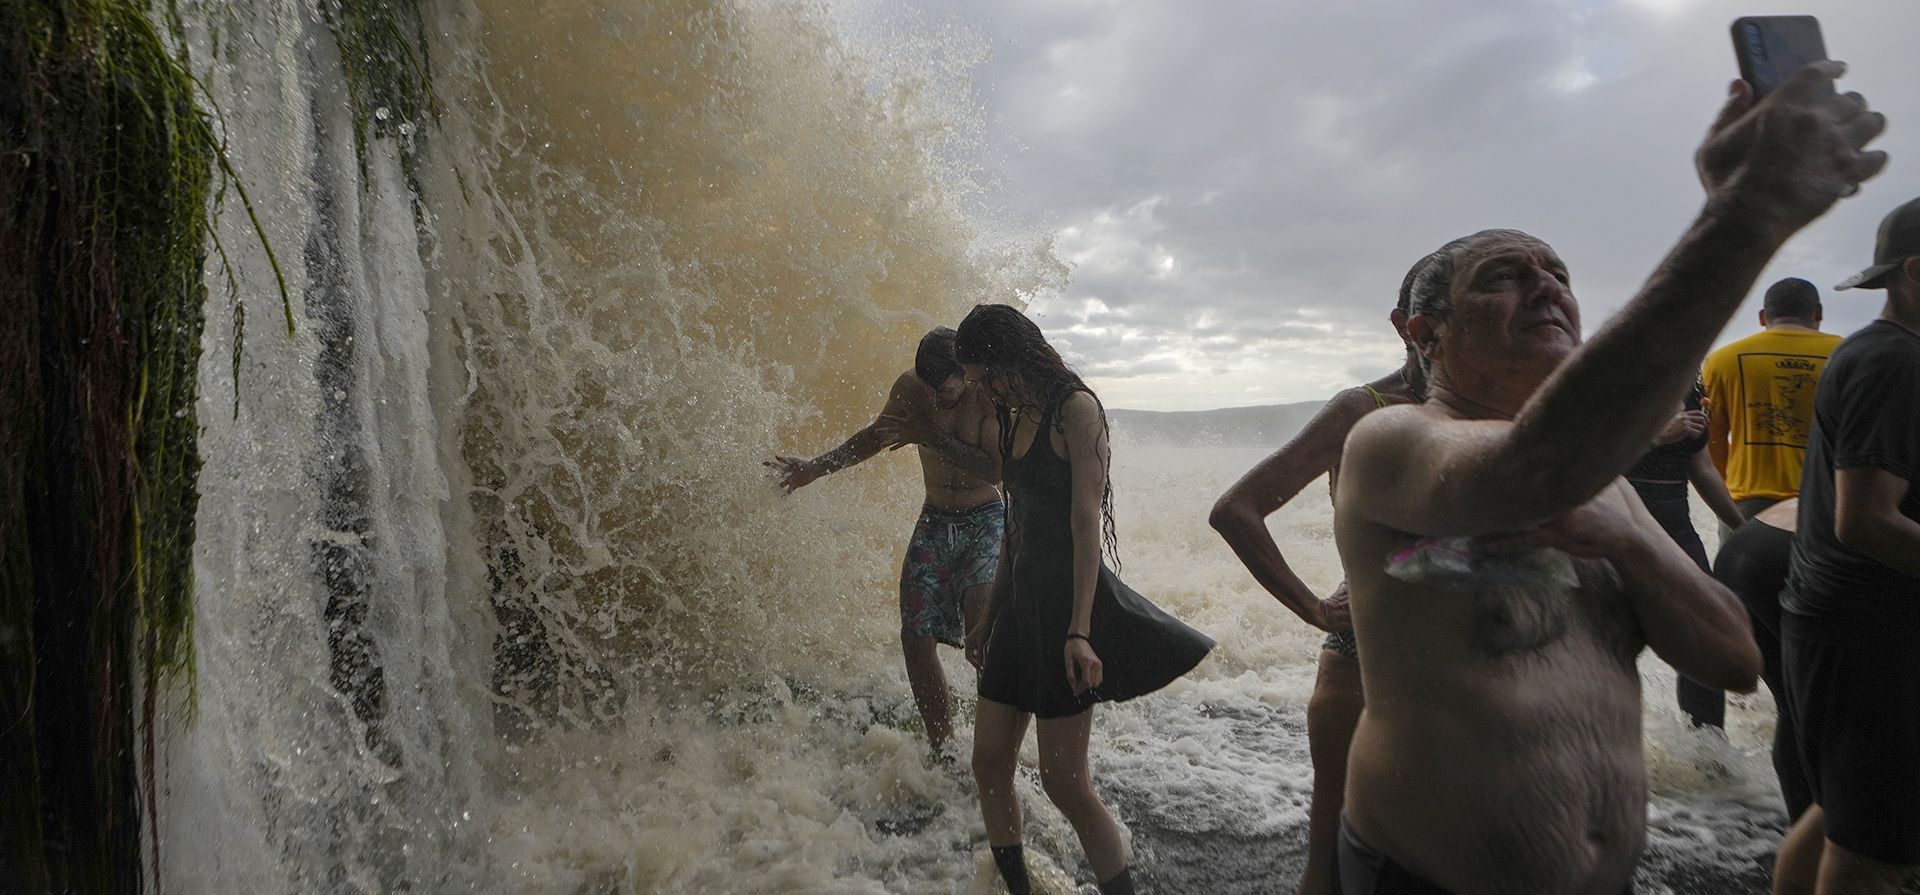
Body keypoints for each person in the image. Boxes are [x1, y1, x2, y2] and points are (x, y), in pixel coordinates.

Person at [1329, 64, 1880, 893]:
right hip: (1422, 876)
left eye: (1556, 272)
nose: (1547, 284)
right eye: (1505, 276)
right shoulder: (1391, 439)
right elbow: (1530, 472)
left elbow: (1732, 656)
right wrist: (1747, 214)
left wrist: (1626, 539)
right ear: (1424, 333)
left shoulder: (1605, 483)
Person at [955, 303, 1213, 895]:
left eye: (984, 375)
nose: (982, 389)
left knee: (1066, 783)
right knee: (989, 762)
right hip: (1019, 609)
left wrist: (1079, 631)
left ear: (1012, 357)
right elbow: (1013, 527)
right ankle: (1018, 887)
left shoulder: (1076, 410)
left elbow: (1082, 524)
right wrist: (987, 620)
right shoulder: (1008, 409)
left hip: (1067, 608)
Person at [1208, 257, 1427, 895]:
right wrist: (1311, 607)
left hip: (1470, 669)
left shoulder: (1502, 411)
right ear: (1402, 325)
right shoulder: (1365, 408)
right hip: (1364, 662)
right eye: (1429, 320)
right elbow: (1236, 510)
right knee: (1330, 867)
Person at [1771, 196, 1920, 895]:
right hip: (1870, 633)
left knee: (1843, 812)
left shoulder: (1881, 352)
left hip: (1839, 623)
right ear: (1915, 271)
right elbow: (1864, 520)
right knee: (1875, 849)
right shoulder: (1894, 362)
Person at [766, 327, 1001, 752]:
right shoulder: (913, 388)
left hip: (985, 520)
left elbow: (995, 470)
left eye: (945, 393)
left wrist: (930, 435)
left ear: (965, 376)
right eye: (930, 393)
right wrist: (815, 469)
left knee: (982, 636)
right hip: (935, 518)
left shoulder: (986, 397)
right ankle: (943, 746)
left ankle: (993, 749)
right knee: (915, 637)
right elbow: (877, 437)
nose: (935, 402)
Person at [1626, 383, 1746, 730]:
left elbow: (1702, 468)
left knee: (1708, 631)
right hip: (1621, 520)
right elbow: (1588, 459)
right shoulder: (1616, 387)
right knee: (1611, 632)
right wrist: (1657, 436)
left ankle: (1706, 750)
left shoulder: (1694, 393)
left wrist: (1743, 527)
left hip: (1676, 522)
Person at [1700, 276, 1844, 541]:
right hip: (1830, 503)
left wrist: (1729, 482)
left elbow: (1712, 437)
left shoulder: (1722, 361)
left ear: (1763, 317)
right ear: (1818, 313)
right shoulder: (1848, 355)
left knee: (1740, 581)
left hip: (1748, 502)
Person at [1710, 499, 1808, 823]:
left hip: (1747, 542)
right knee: (1834, 708)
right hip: (1789, 555)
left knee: (1794, 705)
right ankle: (1830, 833)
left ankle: (1804, 824)